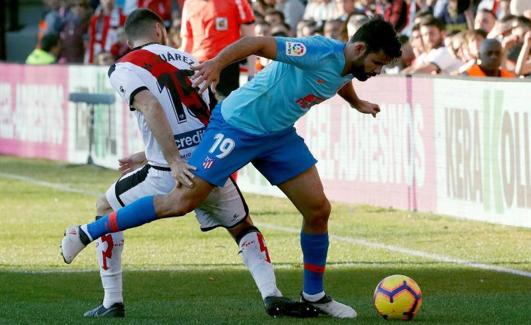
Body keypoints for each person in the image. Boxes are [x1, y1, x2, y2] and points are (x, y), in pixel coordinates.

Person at [61, 17, 402, 318]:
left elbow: (336, 78)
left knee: (318, 209)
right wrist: (216, 64)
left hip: (279, 135)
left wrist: (356, 103)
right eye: (377, 63)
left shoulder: (344, 64)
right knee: (182, 202)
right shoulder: (315, 49)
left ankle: (315, 295)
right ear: (358, 48)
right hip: (236, 126)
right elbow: (257, 43)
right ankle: (86, 233)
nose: (377, 71)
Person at [180, 0, 256, 100]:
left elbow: (250, 38)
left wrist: (252, 74)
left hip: (226, 65)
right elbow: (187, 41)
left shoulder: (237, 1)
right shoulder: (189, 3)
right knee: (201, 111)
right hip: (199, 68)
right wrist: (180, 72)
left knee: (225, 110)